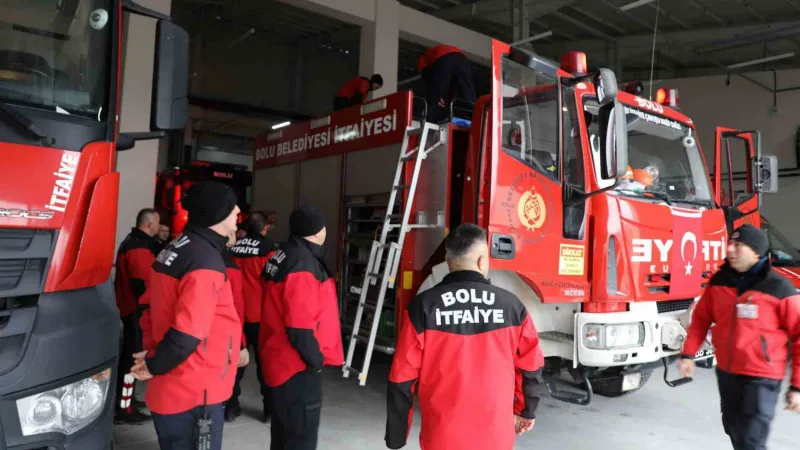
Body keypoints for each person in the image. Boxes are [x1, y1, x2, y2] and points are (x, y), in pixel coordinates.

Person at [385, 223, 544, 450]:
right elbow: (531, 366)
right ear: (482, 261)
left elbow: (401, 377)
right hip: (495, 436)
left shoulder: (424, 306)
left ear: (448, 261)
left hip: (442, 437)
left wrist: (397, 435)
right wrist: (525, 411)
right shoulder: (512, 307)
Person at [130, 181, 243, 450]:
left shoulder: (179, 247)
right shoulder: (203, 259)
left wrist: (153, 353)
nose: (238, 210)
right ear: (217, 213)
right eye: (231, 206)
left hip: (176, 381)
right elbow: (188, 332)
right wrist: (154, 363)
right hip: (194, 389)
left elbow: (147, 307)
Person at [679, 224, 800, 450]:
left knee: (751, 440)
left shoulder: (780, 288)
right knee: (734, 431)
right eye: (729, 244)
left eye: (738, 245)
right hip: (727, 372)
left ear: (756, 251)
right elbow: (701, 320)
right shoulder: (719, 281)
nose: (730, 250)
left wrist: (797, 386)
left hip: (762, 377)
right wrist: (688, 354)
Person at [260, 204, 344, 450]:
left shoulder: (283, 254)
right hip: (295, 368)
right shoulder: (303, 265)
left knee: (283, 436)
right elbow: (300, 327)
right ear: (317, 231)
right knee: (300, 439)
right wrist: (315, 361)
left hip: (278, 360)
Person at [226, 211, 278, 423]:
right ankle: (269, 410)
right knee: (265, 365)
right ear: (265, 227)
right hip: (259, 316)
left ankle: (229, 407)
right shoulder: (268, 249)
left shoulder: (233, 247)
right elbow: (274, 281)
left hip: (235, 315)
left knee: (234, 364)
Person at [113, 208, 160, 425]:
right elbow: (143, 286)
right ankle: (125, 409)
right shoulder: (139, 248)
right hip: (135, 313)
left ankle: (127, 399)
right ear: (149, 225)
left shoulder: (132, 242)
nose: (159, 228)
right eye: (158, 224)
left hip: (128, 309)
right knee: (132, 360)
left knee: (129, 358)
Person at [417, 44, 476, 123]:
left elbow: (427, 76)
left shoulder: (422, 58)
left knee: (432, 99)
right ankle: (471, 118)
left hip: (445, 57)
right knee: (467, 93)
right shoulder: (436, 51)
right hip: (463, 59)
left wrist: (436, 94)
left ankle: (428, 121)